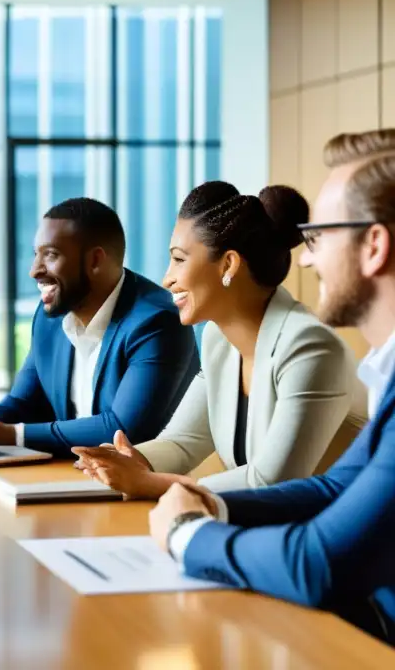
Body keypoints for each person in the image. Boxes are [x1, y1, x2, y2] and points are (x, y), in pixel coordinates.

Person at [149, 129, 395, 644]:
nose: (304, 259)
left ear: (374, 246)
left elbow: (316, 563)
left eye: (319, 237)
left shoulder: (313, 346)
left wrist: (187, 534)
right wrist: (211, 507)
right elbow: (332, 487)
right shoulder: (387, 377)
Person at [73, 182, 366, 497]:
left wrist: (150, 483)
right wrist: (127, 459)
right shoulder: (219, 339)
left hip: (351, 537)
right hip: (272, 528)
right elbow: (183, 442)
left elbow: (271, 483)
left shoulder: (310, 348)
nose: (166, 278)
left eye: (179, 259)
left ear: (228, 265)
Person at [0, 198, 199, 458]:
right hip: (71, 473)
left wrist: (13, 434)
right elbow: (23, 402)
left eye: (51, 255)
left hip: (144, 485)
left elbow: (122, 430)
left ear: (95, 261)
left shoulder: (157, 321)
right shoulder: (50, 317)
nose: (34, 270)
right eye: (37, 254)